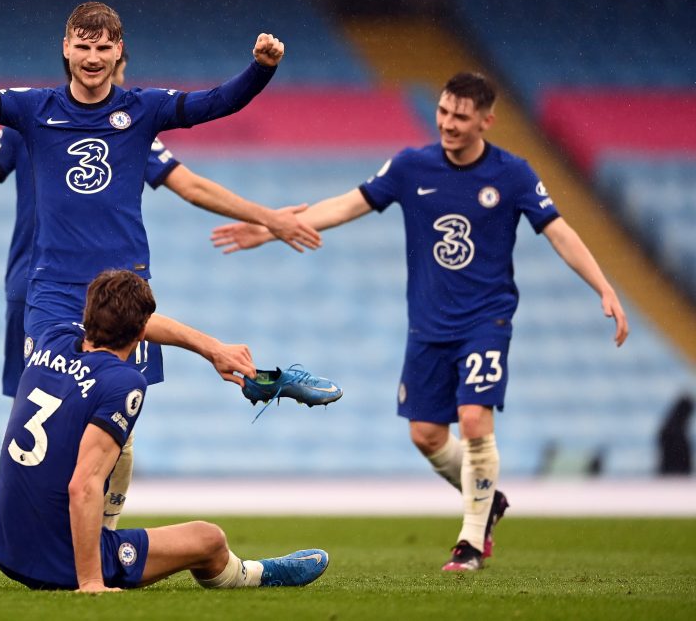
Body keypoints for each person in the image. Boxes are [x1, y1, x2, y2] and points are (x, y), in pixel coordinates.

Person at [211, 72, 630, 571]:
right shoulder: (413, 166)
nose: (449, 124)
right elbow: (348, 204)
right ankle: (488, 498)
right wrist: (274, 227)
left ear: (486, 121)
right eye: (444, 112)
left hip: (486, 320)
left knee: (474, 419)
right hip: (428, 326)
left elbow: (558, 231)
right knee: (426, 435)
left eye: (461, 116)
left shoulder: (513, 174)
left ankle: (471, 542)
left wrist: (603, 286)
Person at [0, 46, 319, 528]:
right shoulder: (30, 120)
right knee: (48, 412)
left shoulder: (135, 122)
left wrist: (265, 218)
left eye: (111, 59)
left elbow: (192, 183)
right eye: (92, 55)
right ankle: (44, 526)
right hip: (40, 288)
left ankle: (99, 533)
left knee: (112, 416)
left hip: (114, 290)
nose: (111, 73)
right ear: (71, 57)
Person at [0, 3, 288, 391]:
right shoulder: (34, 110)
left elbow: (215, 102)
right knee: (49, 404)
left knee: (118, 415)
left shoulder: (143, 110)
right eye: (83, 47)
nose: (93, 58)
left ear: (118, 50)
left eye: (103, 48)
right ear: (66, 48)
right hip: (54, 288)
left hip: (125, 286)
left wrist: (260, 70)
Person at [0, 269, 329, 592]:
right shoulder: (123, 381)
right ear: (143, 333)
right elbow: (83, 485)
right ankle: (252, 575)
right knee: (209, 540)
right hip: (52, 558)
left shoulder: (52, 336)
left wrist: (213, 349)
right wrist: (91, 583)